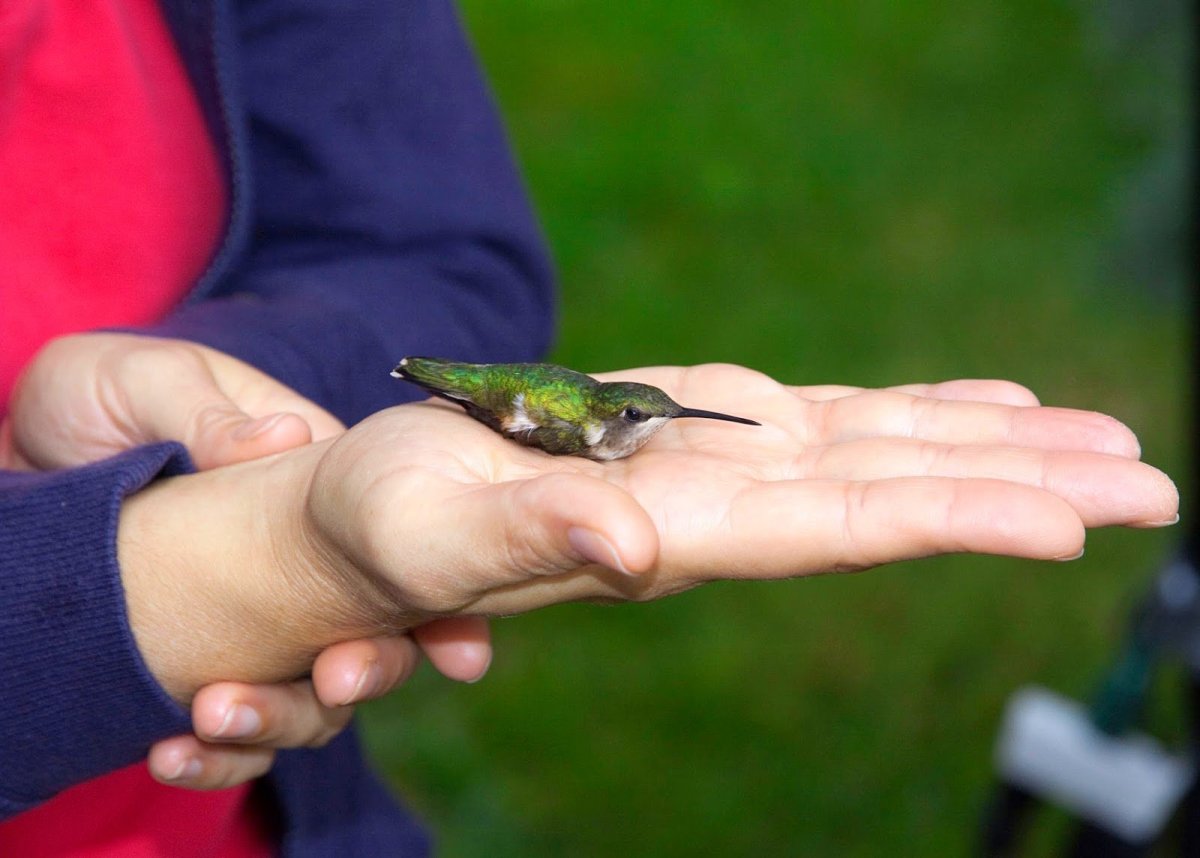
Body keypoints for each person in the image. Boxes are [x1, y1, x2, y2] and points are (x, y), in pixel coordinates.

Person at [0, 1, 1179, 856]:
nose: (644, 425)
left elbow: (434, 243)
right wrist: (237, 564)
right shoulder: (555, 421)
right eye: (634, 417)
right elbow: (517, 407)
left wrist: (221, 402)